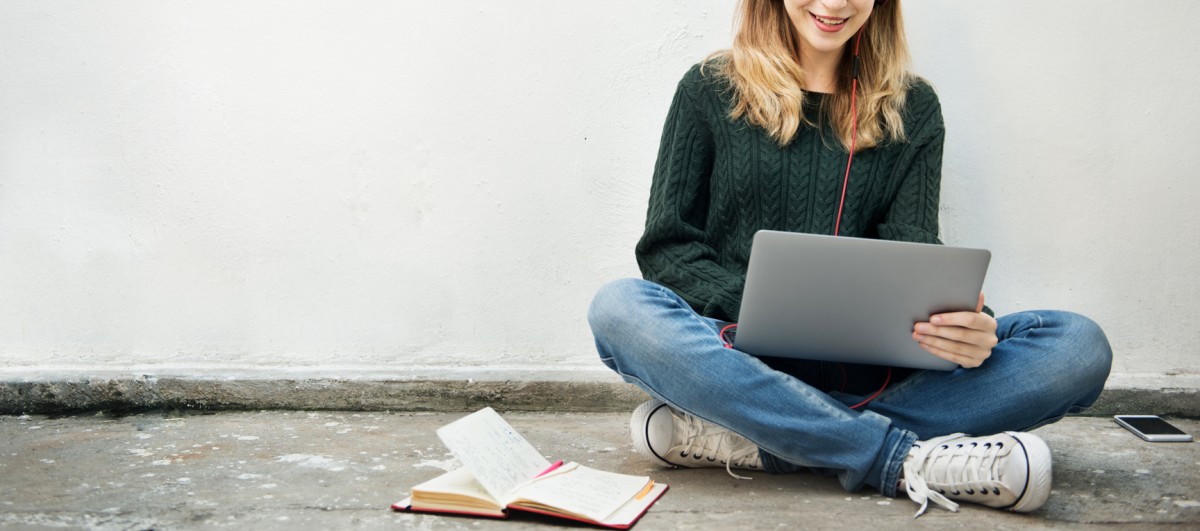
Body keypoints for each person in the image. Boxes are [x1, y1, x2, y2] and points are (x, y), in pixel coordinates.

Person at [587, 0, 1112, 517]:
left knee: (1078, 345)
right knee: (618, 308)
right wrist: (762, 307)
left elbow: (913, 253)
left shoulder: (914, 106)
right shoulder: (708, 88)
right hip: (738, 362)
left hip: (870, 374)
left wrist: (967, 328)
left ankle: (773, 442)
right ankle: (899, 456)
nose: (835, 4)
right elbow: (667, 248)